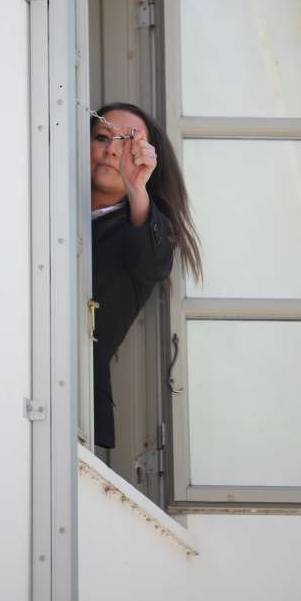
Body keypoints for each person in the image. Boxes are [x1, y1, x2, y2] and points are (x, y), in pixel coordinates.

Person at [90, 102, 202, 450]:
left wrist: (137, 189)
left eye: (127, 142)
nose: (111, 149)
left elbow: (153, 263)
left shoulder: (142, 229)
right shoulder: (40, 204)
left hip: (75, 405)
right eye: (102, 137)